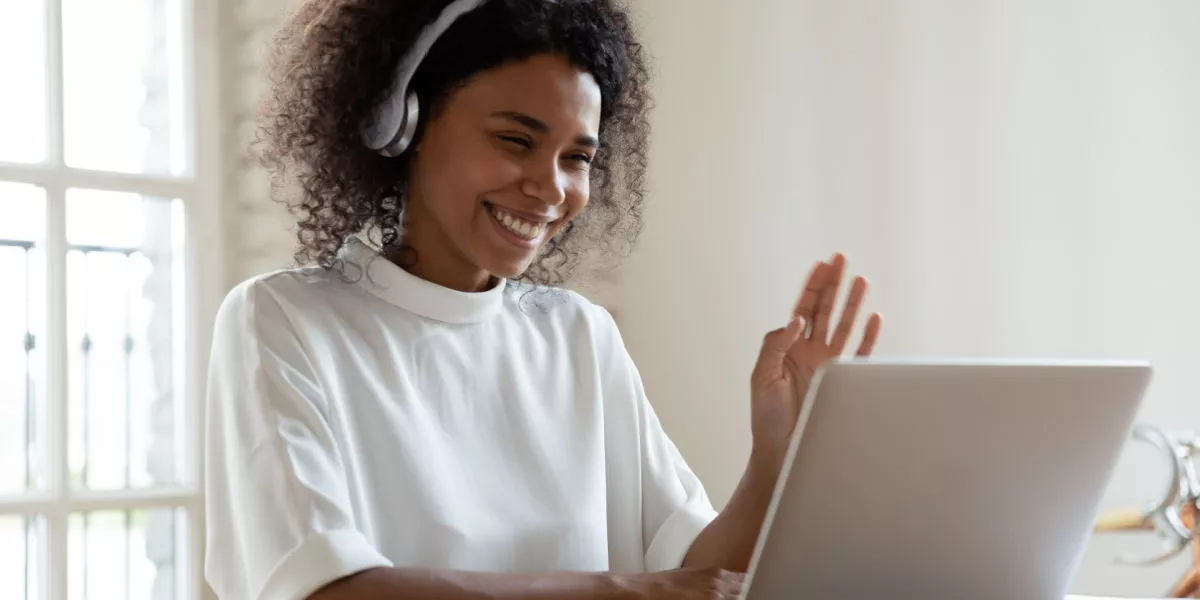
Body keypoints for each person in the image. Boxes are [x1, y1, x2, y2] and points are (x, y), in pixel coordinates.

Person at [203, 0, 884, 598]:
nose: (552, 188)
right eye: (515, 140)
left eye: (577, 158)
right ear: (403, 127)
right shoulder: (283, 322)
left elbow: (700, 572)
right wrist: (627, 593)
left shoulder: (577, 335)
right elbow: (326, 590)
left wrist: (777, 458)